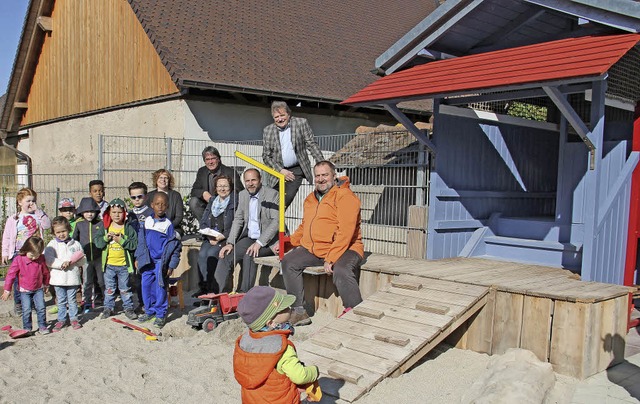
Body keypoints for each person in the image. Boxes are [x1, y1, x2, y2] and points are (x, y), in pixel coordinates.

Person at [282, 161, 364, 327]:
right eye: (317, 176)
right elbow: (305, 228)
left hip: (347, 248)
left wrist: (332, 258)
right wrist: (287, 244)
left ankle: (355, 313)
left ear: (334, 176)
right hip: (317, 249)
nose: (320, 179)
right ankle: (299, 311)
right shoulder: (310, 199)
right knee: (289, 262)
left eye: (325, 175)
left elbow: (345, 233)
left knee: (341, 269)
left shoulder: (345, 196)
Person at [234, 286, 320, 403]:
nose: (289, 308)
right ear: (271, 323)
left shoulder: (243, 342)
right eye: (283, 308)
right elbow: (299, 376)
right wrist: (314, 371)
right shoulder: (281, 348)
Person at [217, 169, 279, 293]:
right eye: (247, 181)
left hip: (269, 241)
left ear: (260, 179)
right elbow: (239, 219)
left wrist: (259, 243)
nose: (250, 183)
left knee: (249, 254)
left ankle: (244, 295)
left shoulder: (272, 194)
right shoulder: (243, 194)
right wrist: (230, 243)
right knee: (226, 255)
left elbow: (277, 222)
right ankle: (222, 296)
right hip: (249, 238)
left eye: (253, 180)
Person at [262, 101, 324, 208]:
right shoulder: (268, 130)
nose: (280, 119)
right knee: (271, 202)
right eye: (276, 117)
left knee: (285, 200)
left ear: (289, 114)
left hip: (296, 169)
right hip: (278, 170)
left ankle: (277, 221)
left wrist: (322, 164)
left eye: (282, 115)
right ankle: (276, 223)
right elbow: (266, 156)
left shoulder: (301, 123)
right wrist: (280, 170)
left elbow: (311, 144)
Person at [1, 187, 51, 317]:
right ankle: (19, 305)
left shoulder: (38, 216)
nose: (31, 203)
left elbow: (47, 225)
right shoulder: (13, 219)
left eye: (33, 201)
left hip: (35, 252)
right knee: (19, 281)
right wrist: (5, 252)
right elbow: (7, 236)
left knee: (34, 278)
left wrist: (38, 211)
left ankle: (33, 304)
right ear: (19, 202)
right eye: (28, 200)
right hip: (19, 253)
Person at [135, 193, 182, 328]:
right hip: (147, 262)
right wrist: (139, 257)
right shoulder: (146, 222)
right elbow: (141, 242)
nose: (160, 207)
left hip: (160, 263)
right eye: (157, 204)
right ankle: (150, 311)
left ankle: (161, 314)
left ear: (167, 206)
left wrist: (171, 265)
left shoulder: (168, 225)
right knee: (146, 286)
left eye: (163, 204)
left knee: (160, 288)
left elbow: (175, 247)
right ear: (152, 205)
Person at [195, 174, 237, 296]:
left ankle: (213, 291)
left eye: (225, 186)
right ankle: (204, 289)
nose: (222, 189)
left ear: (230, 187)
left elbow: (238, 223)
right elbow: (203, 222)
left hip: (225, 238)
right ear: (215, 188)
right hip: (211, 237)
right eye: (219, 186)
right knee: (202, 255)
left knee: (212, 255)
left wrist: (223, 236)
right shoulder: (213, 201)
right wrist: (209, 236)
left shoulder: (235, 201)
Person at [95, 198, 138, 320]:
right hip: (109, 265)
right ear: (109, 213)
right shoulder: (105, 228)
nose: (116, 215)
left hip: (124, 265)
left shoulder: (128, 228)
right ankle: (108, 308)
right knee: (109, 288)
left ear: (124, 213)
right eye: (113, 212)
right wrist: (105, 238)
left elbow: (134, 244)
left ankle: (128, 308)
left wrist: (121, 240)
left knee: (125, 288)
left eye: (119, 212)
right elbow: (98, 243)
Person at [1, 236, 51, 335]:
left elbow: (45, 272)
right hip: (24, 290)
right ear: (26, 249)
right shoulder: (19, 259)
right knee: (26, 309)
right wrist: (7, 290)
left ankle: (42, 326)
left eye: (37, 255)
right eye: (32, 255)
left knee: (41, 308)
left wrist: (46, 284)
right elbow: (11, 275)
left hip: (38, 288)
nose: (34, 258)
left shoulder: (40, 259)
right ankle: (27, 328)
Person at [45, 217, 86, 332]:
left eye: (63, 231)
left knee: (72, 300)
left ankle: (74, 318)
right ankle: (61, 319)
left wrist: (74, 261)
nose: (61, 234)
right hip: (58, 279)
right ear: (54, 233)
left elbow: (82, 259)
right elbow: (48, 259)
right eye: (58, 232)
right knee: (61, 300)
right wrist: (61, 264)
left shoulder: (75, 244)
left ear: (69, 230)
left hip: (72, 278)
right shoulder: (52, 244)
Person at [188, 146, 243, 223]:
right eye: (207, 159)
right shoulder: (202, 171)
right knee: (193, 202)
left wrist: (224, 197)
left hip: (225, 205)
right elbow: (194, 191)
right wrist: (203, 194)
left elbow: (239, 191)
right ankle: (206, 226)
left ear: (218, 159)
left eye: (213, 158)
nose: (210, 162)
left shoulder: (230, 172)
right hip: (208, 205)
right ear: (204, 161)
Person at [73, 197, 105, 313]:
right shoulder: (79, 224)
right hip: (85, 258)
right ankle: (86, 303)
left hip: (99, 257)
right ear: (81, 212)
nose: (89, 214)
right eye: (86, 212)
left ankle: (106, 301)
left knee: (102, 281)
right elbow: (74, 240)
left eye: (92, 211)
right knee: (87, 281)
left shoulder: (101, 223)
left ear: (96, 211)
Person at [146, 169, 184, 237]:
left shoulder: (176, 195)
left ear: (169, 180)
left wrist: (167, 226)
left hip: (172, 228)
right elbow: (147, 214)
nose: (163, 180)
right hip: (153, 228)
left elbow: (179, 216)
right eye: (160, 177)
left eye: (166, 178)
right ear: (156, 180)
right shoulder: (149, 196)